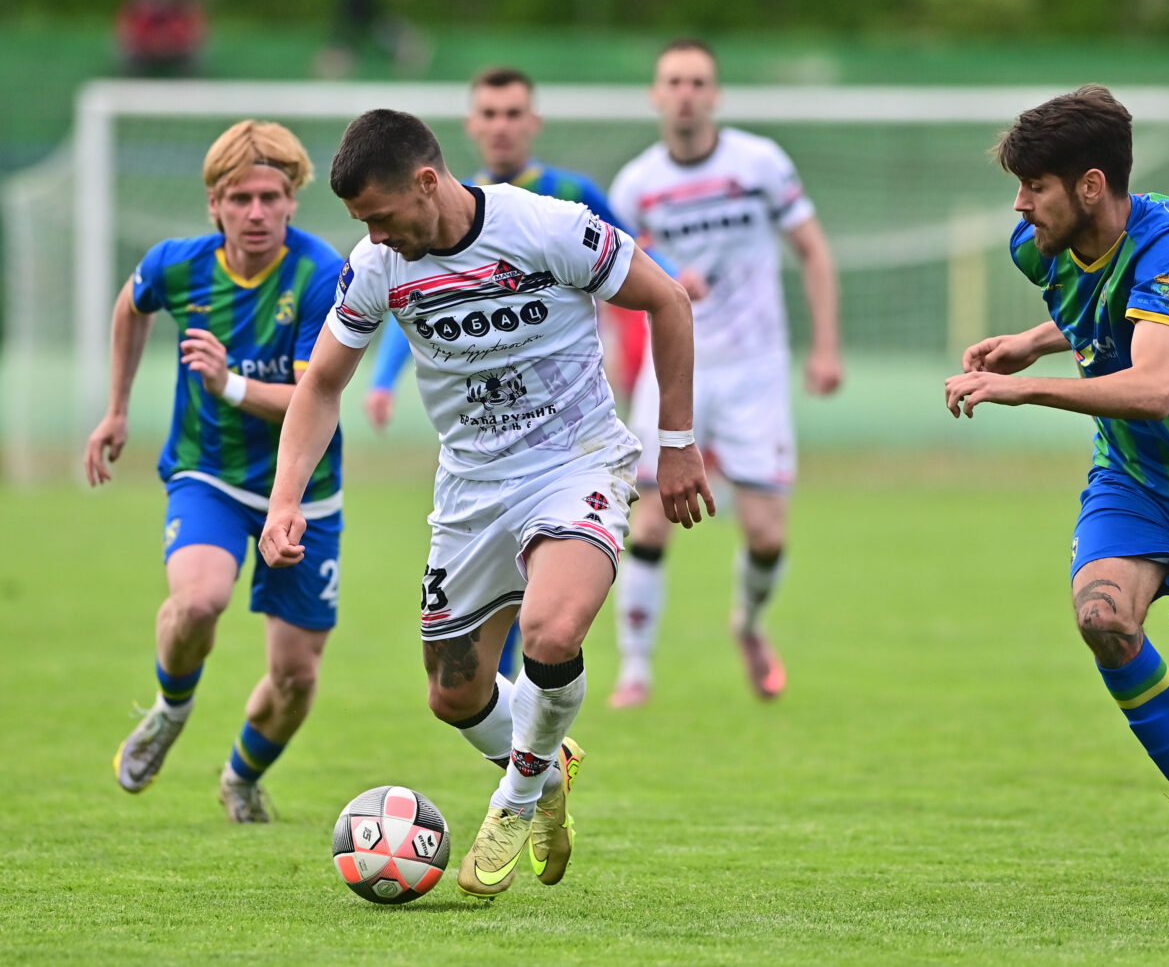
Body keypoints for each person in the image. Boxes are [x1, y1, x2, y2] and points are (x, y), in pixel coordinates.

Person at [259, 109, 712, 899]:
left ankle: (516, 798)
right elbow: (323, 383)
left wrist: (676, 442)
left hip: (575, 461)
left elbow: (668, 300)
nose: (374, 234)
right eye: (362, 223)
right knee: (453, 692)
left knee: (552, 630)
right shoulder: (377, 265)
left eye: (380, 215)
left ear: (426, 182)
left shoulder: (546, 227)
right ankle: (548, 763)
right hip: (471, 487)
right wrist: (284, 499)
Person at [944, 85, 1169, 887]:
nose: (1021, 205)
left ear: (1092, 186)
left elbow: (1153, 387)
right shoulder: (1037, 244)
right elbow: (1093, 303)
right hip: (1133, 476)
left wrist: (1022, 388)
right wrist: (1035, 340)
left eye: (1036, 186)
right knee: (1101, 615)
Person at [362, 65, 686, 683]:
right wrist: (382, 379)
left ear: (533, 122)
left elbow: (633, 257)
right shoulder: (432, 210)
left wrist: (675, 282)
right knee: (479, 645)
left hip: (565, 421)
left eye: (513, 114)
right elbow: (420, 308)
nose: (501, 127)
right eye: (489, 114)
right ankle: (516, 715)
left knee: (548, 609)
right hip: (487, 445)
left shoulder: (562, 197)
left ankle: (537, 725)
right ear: (471, 125)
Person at [87, 120, 345, 822]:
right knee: (199, 601)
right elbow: (130, 307)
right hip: (209, 473)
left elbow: (313, 397)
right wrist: (116, 409)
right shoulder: (178, 264)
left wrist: (228, 383)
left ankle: (240, 777)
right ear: (214, 204)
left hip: (305, 488)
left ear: (292, 201)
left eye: (269, 197)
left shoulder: (320, 274)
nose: (255, 213)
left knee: (296, 677)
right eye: (239, 198)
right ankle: (171, 710)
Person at [606, 37, 843, 708]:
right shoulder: (635, 185)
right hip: (672, 367)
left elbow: (813, 250)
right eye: (674, 82)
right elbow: (610, 281)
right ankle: (636, 669)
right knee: (649, 521)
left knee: (767, 533)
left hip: (754, 369)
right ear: (656, 95)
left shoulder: (759, 163)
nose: (685, 94)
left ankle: (749, 623)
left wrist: (826, 347)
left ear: (715, 94)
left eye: (697, 82)